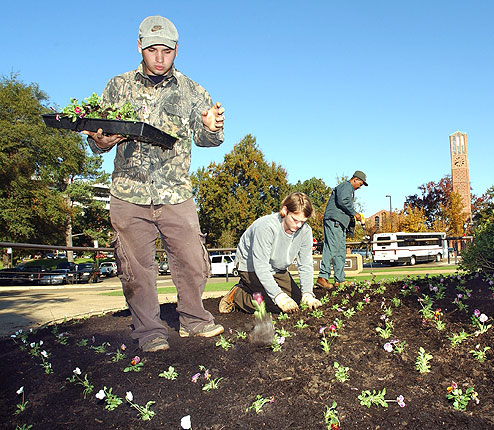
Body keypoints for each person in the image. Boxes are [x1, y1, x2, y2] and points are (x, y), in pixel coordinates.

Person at [84, 16, 225, 352]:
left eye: (167, 50)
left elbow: (209, 139)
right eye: (152, 50)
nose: (160, 57)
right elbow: (98, 140)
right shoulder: (117, 86)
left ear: (177, 50)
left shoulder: (192, 89)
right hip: (128, 193)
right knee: (136, 269)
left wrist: (211, 126)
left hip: (176, 193)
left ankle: (193, 319)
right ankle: (149, 331)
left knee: (193, 260)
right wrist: (101, 141)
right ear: (140, 47)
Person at [218, 192, 322, 315]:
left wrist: (308, 294)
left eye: (303, 221)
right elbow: (260, 266)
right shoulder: (266, 227)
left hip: (277, 268)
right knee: (276, 306)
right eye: (295, 220)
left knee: (297, 301)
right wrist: (278, 296)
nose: (298, 225)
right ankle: (238, 296)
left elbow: (305, 264)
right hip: (250, 266)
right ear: (285, 210)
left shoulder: (305, 231)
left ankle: (250, 288)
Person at [316, 171, 368, 290]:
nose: (360, 187)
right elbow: (343, 201)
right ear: (355, 179)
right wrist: (356, 214)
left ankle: (339, 280)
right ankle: (322, 277)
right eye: (360, 183)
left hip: (340, 223)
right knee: (332, 248)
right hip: (334, 221)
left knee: (340, 251)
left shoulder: (349, 189)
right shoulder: (346, 186)